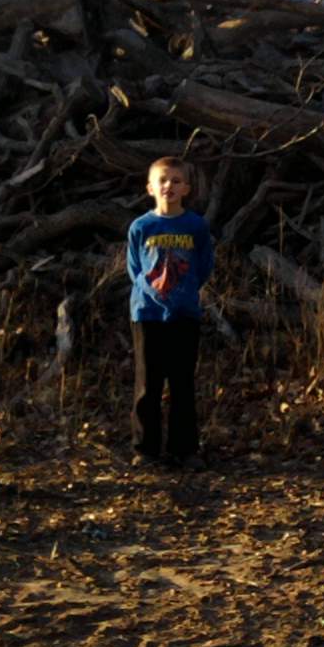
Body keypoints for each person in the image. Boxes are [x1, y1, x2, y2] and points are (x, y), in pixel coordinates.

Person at [126, 155, 215, 466]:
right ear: (150, 188)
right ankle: (145, 450)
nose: (169, 186)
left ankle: (184, 449)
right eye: (162, 180)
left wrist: (183, 292)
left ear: (186, 188)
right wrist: (153, 292)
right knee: (147, 384)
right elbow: (134, 268)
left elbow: (204, 266)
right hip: (147, 314)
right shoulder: (141, 227)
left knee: (182, 383)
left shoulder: (195, 226)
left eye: (176, 181)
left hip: (184, 314)